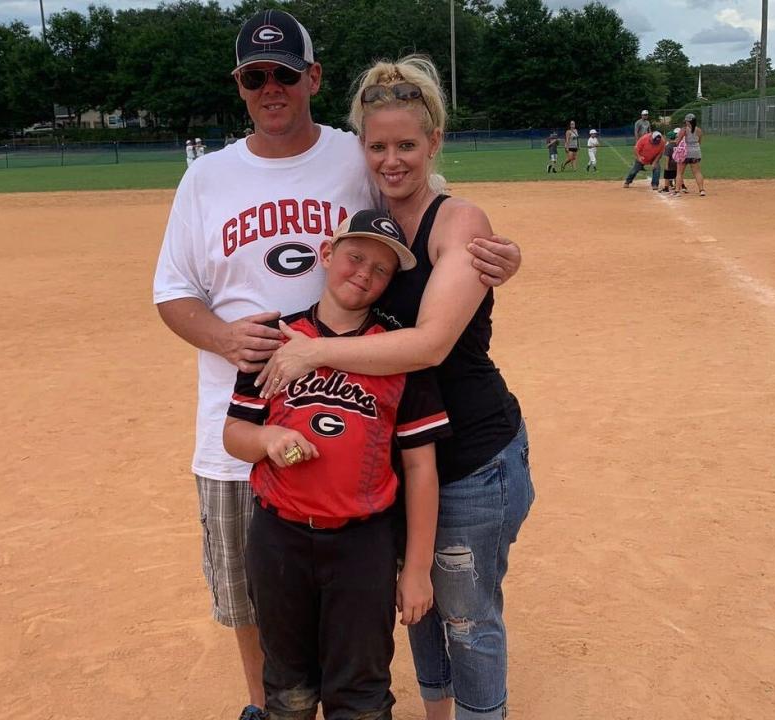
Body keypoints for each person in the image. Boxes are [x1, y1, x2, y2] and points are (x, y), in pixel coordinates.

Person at [152, 11, 521, 720]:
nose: (271, 87)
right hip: (242, 419)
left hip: (365, 421)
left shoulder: (353, 154)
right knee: (254, 594)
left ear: (312, 77)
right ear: (239, 85)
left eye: (285, 73)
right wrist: (228, 341)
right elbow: (172, 292)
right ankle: (270, 707)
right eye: (255, 76)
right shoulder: (205, 177)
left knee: (369, 596)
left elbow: (421, 196)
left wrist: (501, 255)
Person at [254, 54, 535, 720]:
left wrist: (315, 352)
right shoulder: (367, 219)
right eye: (377, 146)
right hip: (399, 458)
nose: (392, 159)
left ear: (434, 142)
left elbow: (432, 343)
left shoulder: (458, 221)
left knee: (467, 620)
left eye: (407, 144)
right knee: (419, 610)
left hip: (471, 458)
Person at [224, 209, 450, 720]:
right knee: (289, 690)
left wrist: (415, 569)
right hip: (278, 538)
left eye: (381, 269)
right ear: (326, 254)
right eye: (355, 257)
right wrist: (269, 437)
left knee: (361, 694)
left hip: (362, 545)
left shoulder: (398, 353)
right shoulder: (274, 338)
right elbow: (234, 435)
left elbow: (420, 469)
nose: (364, 274)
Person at [674, 112, 706, 197]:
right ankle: (701, 190)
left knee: (680, 172)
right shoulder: (699, 130)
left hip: (685, 153)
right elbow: (699, 142)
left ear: (688, 121)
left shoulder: (684, 129)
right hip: (696, 152)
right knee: (697, 172)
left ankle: (677, 191)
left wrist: (675, 141)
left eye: (686, 121)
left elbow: (678, 142)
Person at [660, 128, 686, 193]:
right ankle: (680, 187)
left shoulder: (668, 146)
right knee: (677, 175)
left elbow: (667, 157)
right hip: (677, 162)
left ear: (669, 138)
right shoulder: (677, 144)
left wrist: (666, 165)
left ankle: (666, 187)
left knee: (667, 176)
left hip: (670, 163)